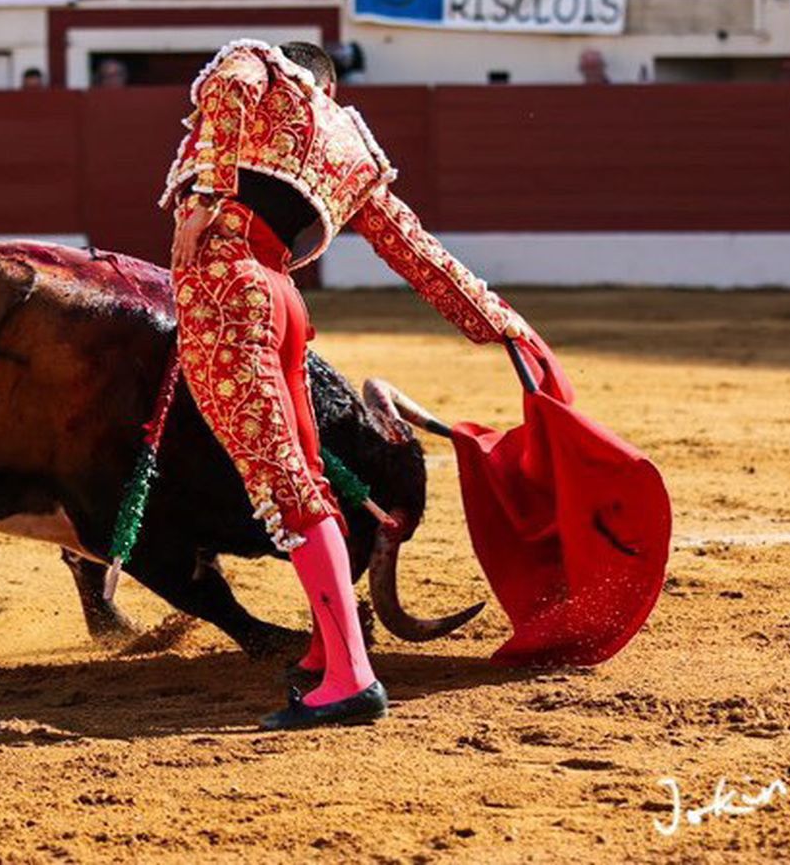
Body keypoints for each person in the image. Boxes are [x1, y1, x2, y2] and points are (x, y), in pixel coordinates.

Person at [163, 39, 530, 730]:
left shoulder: (259, 68)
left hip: (224, 292)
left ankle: (351, 678)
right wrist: (502, 323)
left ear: (302, 78)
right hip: (282, 302)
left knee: (286, 488)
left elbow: (230, 82)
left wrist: (205, 198)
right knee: (306, 481)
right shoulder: (350, 148)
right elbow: (417, 251)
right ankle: (326, 654)